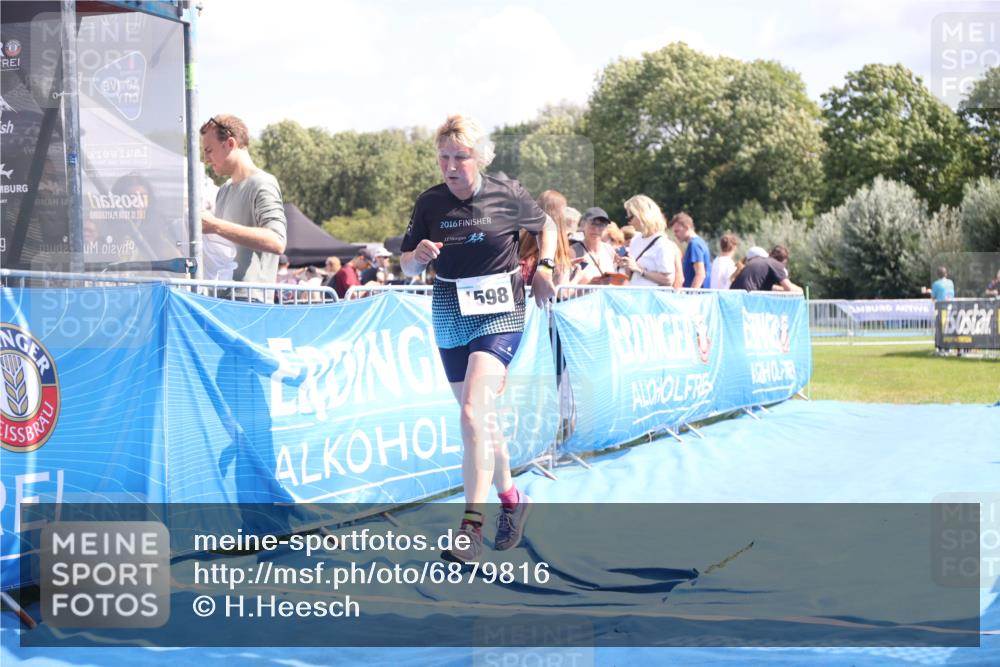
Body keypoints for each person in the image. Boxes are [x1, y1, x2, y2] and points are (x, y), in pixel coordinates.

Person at [400, 114, 556, 563]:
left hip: (501, 312)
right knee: (480, 422)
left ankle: (470, 528)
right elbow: (407, 263)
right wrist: (419, 258)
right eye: (443, 157)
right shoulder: (429, 204)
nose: (450, 166)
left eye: (460, 157)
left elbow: (545, 226)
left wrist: (543, 268)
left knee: (472, 412)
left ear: (479, 158)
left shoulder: (506, 193)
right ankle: (512, 497)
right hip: (450, 312)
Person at [199, 114, 287, 302]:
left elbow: (277, 241)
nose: (206, 159)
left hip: (251, 304)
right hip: (223, 299)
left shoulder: (263, 184)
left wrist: (215, 225)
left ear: (230, 144)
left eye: (209, 150)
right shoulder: (224, 190)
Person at [616, 195, 682, 288]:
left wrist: (640, 270)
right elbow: (630, 276)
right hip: (635, 297)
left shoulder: (663, 244)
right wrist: (626, 264)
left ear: (642, 215)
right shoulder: (635, 240)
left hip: (653, 299)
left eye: (630, 218)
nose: (629, 222)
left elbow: (668, 280)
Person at [572, 207, 621, 284]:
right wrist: (590, 285)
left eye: (602, 225)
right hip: (582, 296)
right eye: (593, 223)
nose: (596, 229)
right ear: (583, 224)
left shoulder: (609, 250)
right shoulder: (573, 251)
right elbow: (565, 288)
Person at [730, 245, 803, 293]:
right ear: (783, 262)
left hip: (735, 295)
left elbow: (760, 285)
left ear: (769, 253)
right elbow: (790, 289)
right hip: (748, 299)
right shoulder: (776, 264)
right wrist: (800, 290)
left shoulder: (759, 260)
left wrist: (782, 289)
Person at [670, 212, 712, 289]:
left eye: (677, 231)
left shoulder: (695, 245)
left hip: (697, 297)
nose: (675, 234)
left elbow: (700, 274)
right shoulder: (697, 243)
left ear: (687, 227)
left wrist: (690, 295)